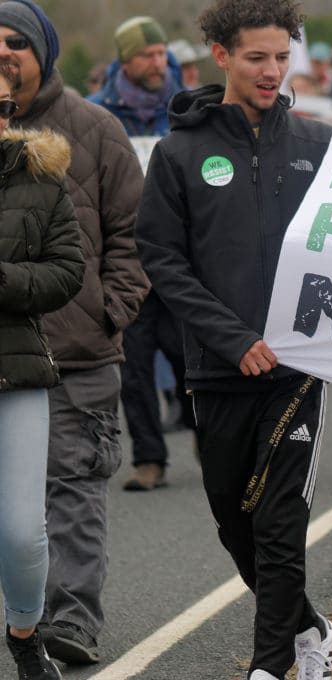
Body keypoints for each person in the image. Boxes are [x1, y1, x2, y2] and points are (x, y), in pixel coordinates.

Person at [134, 1, 332, 678]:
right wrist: (231, 338)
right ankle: (309, 627)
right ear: (221, 56)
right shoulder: (178, 153)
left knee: (281, 529)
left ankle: (270, 665)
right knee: (235, 523)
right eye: (257, 57)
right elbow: (162, 259)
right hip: (219, 372)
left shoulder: (319, 145)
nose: (272, 71)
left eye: (283, 57)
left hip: (296, 373)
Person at [1, 0, 150, 665]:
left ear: (44, 53)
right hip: (7, 357)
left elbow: (135, 233)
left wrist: (107, 309)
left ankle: (71, 621)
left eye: (16, 43)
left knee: (72, 488)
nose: (4, 54)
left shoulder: (94, 128)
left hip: (78, 352)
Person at [0, 60, 83, 680]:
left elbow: (67, 271)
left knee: (22, 534)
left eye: (4, 106)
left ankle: (25, 634)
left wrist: (4, 281)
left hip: (16, 369)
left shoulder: (42, 180)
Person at [88, 16, 191, 493]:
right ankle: (150, 459)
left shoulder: (186, 108)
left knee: (194, 359)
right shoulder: (99, 115)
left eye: (161, 52)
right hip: (126, 262)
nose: (158, 62)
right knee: (134, 370)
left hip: (181, 260)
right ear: (125, 60)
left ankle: (215, 446)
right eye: (147, 55)